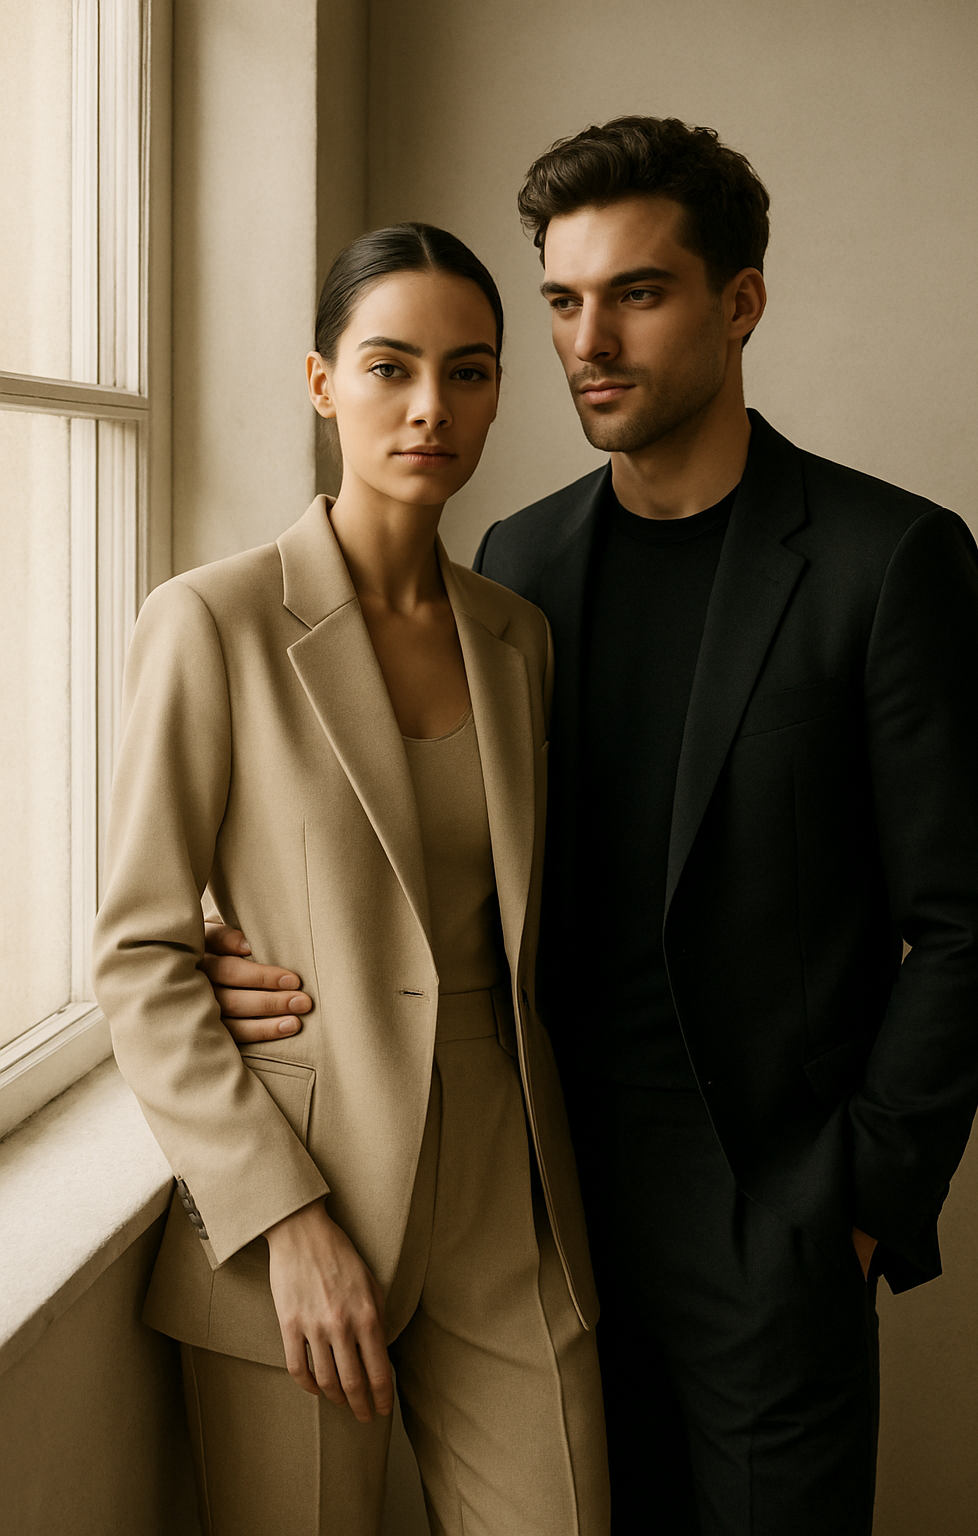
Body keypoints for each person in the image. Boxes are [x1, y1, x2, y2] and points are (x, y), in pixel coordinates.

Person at [203, 120, 978, 1534]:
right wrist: (243, 943)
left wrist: (856, 1203)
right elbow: (444, 848)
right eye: (564, 301)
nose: (593, 340)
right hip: (539, 1217)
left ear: (739, 302)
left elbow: (966, 926)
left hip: (768, 1225)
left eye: (639, 293)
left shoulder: (892, 560)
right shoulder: (521, 564)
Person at [93, 222, 610, 1536]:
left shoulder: (516, 639)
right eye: (391, 367)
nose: (432, 407)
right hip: (300, 1207)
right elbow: (139, 956)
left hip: (508, 1205)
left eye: (471, 371)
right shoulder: (211, 621)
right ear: (322, 381)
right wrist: (284, 1220)